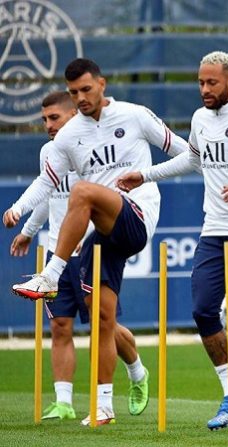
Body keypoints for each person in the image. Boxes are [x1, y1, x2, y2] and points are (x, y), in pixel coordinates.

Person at [116, 51, 228, 432]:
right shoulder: (200, 119)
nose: (204, 89)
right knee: (202, 311)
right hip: (214, 231)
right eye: (200, 82)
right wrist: (145, 175)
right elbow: (193, 160)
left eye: (211, 82)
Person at [3, 58, 188, 425]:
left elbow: (189, 155)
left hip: (137, 216)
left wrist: (145, 174)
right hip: (100, 236)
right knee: (102, 320)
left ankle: (50, 274)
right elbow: (46, 181)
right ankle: (103, 407)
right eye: (74, 92)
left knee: (83, 191)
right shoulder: (70, 137)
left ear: (102, 84)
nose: (81, 97)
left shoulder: (134, 115)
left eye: (86, 89)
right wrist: (17, 209)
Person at [9, 91, 152, 421]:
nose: (48, 125)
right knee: (60, 325)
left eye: (54, 118)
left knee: (105, 324)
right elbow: (47, 193)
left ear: (74, 114)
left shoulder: (93, 147)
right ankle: (63, 402)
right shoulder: (51, 152)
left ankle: (136, 370)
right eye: (44, 120)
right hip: (58, 253)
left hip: (91, 250)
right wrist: (29, 230)